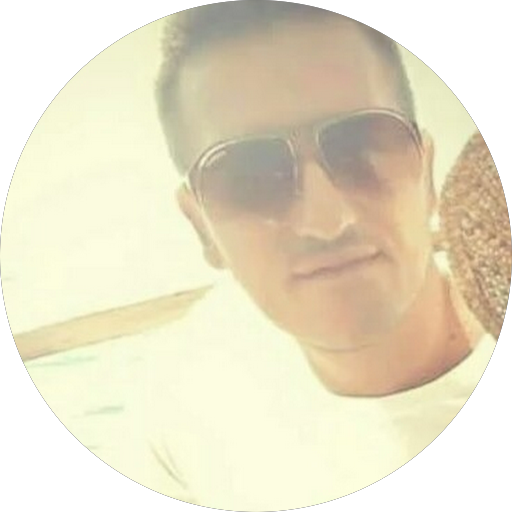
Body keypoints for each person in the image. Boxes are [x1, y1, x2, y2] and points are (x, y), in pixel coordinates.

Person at [117, 3, 497, 509]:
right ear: (201, 225)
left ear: (425, 176)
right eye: (248, 175)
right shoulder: (180, 403)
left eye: (362, 148)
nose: (326, 220)